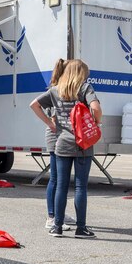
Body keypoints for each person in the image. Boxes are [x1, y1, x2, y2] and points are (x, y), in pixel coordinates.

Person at [30, 59, 102, 238]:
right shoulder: (85, 88)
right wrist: (96, 121)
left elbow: (34, 105)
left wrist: (50, 124)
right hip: (82, 144)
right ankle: (81, 228)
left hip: (62, 143)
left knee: (61, 186)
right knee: (80, 187)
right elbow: (96, 108)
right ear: (80, 73)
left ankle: (57, 227)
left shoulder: (55, 90)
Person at [41, 59, 73, 230]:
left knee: (61, 178)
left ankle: (59, 213)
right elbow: (55, 117)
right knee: (56, 178)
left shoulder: (57, 88)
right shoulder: (58, 91)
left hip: (58, 136)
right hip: (56, 137)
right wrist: (51, 124)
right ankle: (52, 216)